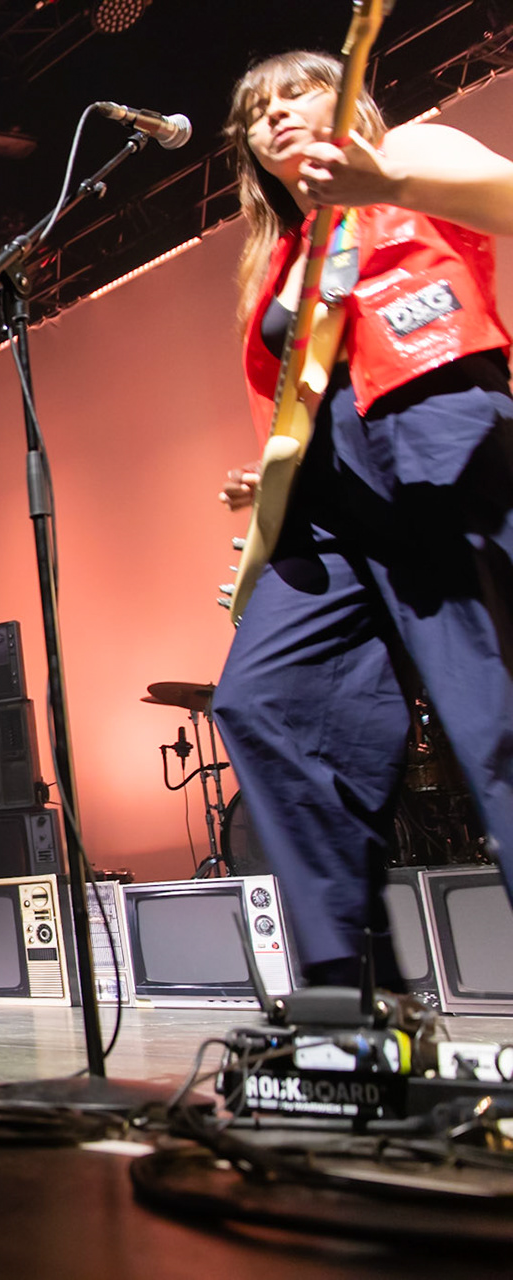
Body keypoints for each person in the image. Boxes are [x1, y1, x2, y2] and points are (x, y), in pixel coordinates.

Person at [209, 49, 513, 988]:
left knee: (498, 723)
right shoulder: (282, 258)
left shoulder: (410, 157)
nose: (278, 117)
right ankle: (350, 997)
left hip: (441, 454)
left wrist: (386, 176)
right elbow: (312, 401)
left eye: (299, 92)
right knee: (266, 701)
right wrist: (268, 497)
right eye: (258, 113)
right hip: (332, 523)